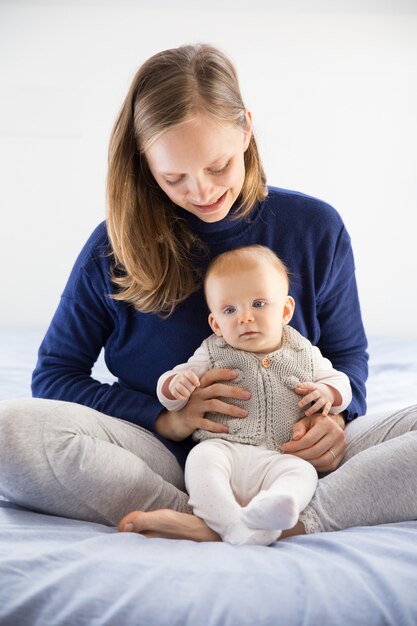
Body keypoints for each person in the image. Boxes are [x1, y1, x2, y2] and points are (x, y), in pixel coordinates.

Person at [0, 43, 416, 542]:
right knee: (10, 431)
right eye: (173, 177)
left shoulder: (315, 228)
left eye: (217, 167)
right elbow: (55, 375)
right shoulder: (114, 247)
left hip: (296, 459)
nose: (202, 192)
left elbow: (348, 355)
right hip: (170, 459)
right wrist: (163, 419)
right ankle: (208, 511)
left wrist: (338, 418)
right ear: (144, 163)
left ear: (245, 128)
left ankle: (277, 520)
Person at [156, 245, 351, 545]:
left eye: (258, 304)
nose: (245, 318)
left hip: (281, 455)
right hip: (225, 450)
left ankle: (273, 509)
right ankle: (231, 523)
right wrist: (175, 385)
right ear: (216, 324)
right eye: (230, 310)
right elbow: (172, 392)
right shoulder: (211, 351)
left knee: (303, 474)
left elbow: (341, 384)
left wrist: (327, 392)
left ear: (285, 310)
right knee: (200, 460)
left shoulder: (304, 352)